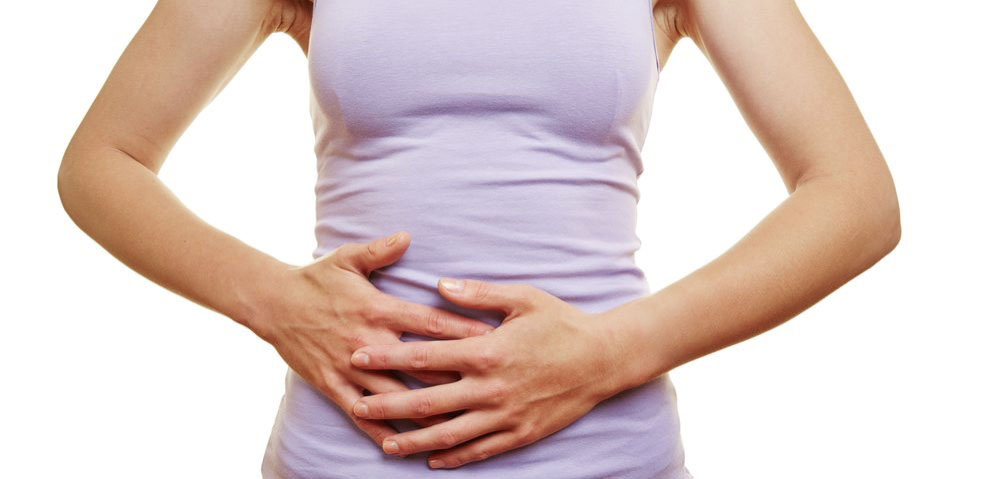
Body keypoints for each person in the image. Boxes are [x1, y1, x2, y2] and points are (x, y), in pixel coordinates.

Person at [56, 0, 900, 477]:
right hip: (343, 459)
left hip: (605, 461)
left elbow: (855, 198)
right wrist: (276, 300)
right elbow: (102, 160)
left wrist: (614, 351)